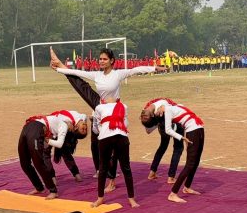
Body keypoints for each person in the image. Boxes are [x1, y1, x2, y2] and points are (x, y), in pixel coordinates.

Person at [50, 47, 166, 187]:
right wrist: (59, 69)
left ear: (111, 61)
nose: (101, 61)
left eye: (105, 59)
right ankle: (59, 63)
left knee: (114, 145)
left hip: (114, 111)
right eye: (100, 59)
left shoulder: (118, 74)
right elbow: (76, 72)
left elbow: (136, 70)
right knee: (80, 84)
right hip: (100, 106)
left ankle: (111, 180)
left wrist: (154, 68)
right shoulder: (97, 75)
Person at [18, 112, 87, 199]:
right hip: (28, 126)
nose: (84, 126)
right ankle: (39, 187)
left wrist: (47, 140)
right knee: (24, 163)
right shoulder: (68, 120)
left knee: (38, 162)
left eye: (83, 128)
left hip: (36, 127)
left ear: (73, 129)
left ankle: (53, 191)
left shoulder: (63, 127)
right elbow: (67, 115)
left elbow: (59, 144)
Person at [150, 103, 204, 203]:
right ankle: (173, 194)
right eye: (158, 112)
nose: (159, 110)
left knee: (196, 161)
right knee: (190, 164)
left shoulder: (175, 106)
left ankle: (187, 187)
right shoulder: (168, 111)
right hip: (192, 131)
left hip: (199, 128)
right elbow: (168, 130)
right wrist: (181, 137)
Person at [92, 98, 139, 208]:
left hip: (119, 136)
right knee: (104, 168)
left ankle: (131, 199)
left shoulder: (123, 106)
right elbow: (96, 126)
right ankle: (100, 198)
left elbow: (125, 123)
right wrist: (105, 130)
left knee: (125, 168)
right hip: (108, 137)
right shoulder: (99, 107)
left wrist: (107, 128)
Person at [140, 98, 184, 184]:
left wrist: (156, 124)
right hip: (171, 124)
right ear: (152, 116)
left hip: (163, 126)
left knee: (162, 147)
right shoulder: (152, 110)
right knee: (178, 149)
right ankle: (171, 177)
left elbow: (148, 130)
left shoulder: (145, 113)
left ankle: (152, 172)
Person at [47, 110, 88, 183]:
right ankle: (76, 175)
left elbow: (57, 120)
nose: (85, 126)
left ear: (75, 128)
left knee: (46, 154)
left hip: (54, 130)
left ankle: (52, 178)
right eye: (85, 129)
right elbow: (84, 115)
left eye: (83, 129)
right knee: (64, 152)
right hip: (59, 128)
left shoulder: (68, 122)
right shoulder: (83, 118)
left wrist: (66, 122)